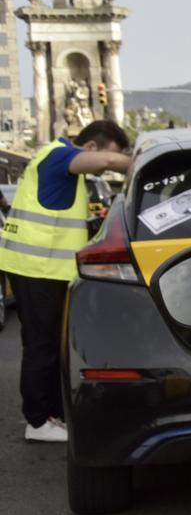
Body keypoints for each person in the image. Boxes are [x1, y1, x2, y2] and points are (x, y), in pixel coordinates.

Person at [0, 121, 131, 442]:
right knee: (41, 347)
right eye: (107, 152)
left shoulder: (62, 165)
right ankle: (38, 421)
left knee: (50, 346)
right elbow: (111, 162)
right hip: (36, 268)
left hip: (44, 269)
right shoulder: (60, 156)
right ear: (89, 148)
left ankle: (52, 416)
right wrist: (143, 160)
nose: (104, 167)